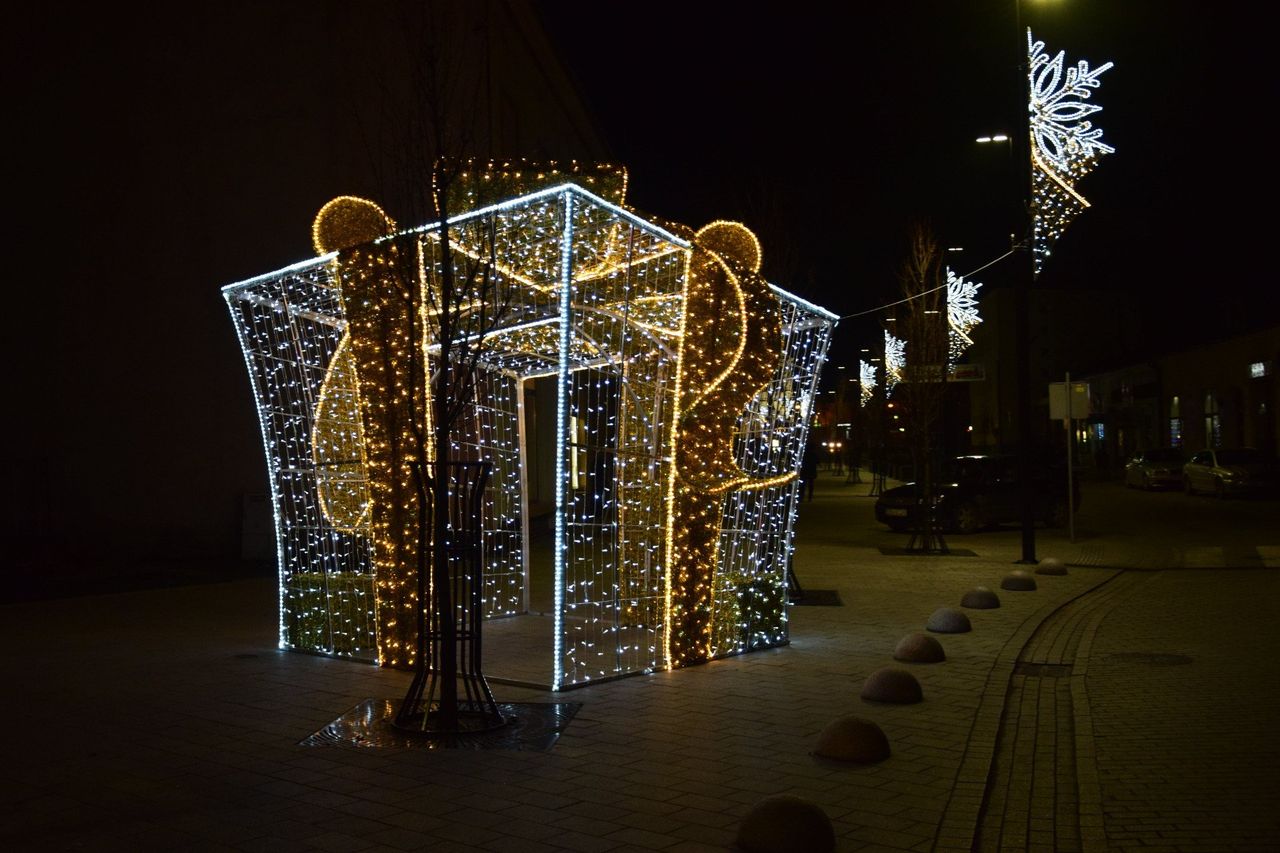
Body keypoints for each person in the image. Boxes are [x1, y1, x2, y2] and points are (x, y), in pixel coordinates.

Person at [800, 436, 820, 501]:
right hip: (811, 470)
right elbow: (817, 461)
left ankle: (802, 496)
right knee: (811, 484)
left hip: (805, 469)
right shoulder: (814, 454)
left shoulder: (804, 454)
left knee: (803, 484)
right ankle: (809, 497)